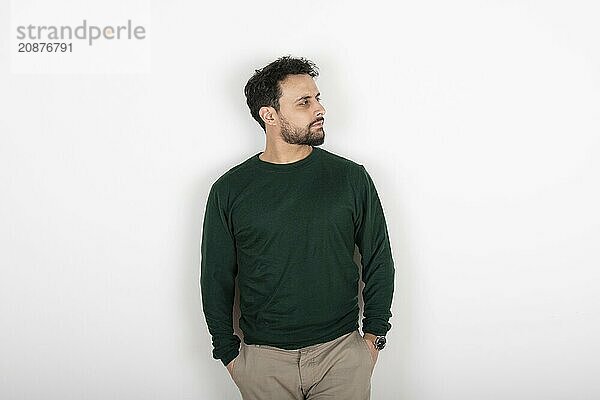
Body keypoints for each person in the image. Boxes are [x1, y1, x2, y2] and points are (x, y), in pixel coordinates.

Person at [200, 55, 395, 400]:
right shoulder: (229, 190)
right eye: (304, 102)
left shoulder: (350, 178)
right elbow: (216, 278)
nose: (319, 109)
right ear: (269, 115)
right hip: (263, 362)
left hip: (341, 357)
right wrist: (229, 355)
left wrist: (373, 338)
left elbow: (379, 259)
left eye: (318, 98)